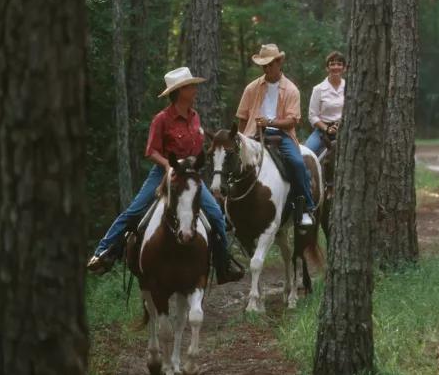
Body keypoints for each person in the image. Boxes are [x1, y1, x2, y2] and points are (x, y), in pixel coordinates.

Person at [87, 67, 245, 283]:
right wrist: (169, 167)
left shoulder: (195, 117)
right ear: (180, 91)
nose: (195, 89)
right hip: (163, 171)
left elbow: (196, 149)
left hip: (190, 174)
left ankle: (223, 263)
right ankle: (103, 252)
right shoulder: (161, 119)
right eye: (191, 86)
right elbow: (151, 151)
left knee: (216, 215)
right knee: (134, 212)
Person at [235, 44, 316, 227]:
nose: (266, 68)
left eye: (270, 64)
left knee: (296, 162)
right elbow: (242, 117)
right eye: (264, 65)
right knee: (231, 162)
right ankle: (229, 209)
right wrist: (240, 139)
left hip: (282, 134)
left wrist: (269, 123)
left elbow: (292, 121)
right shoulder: (252, 88)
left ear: (280, 62)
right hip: (253, 133)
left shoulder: (291, 90)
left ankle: (305, 207)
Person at [306, 51, 346, 155]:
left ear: (344, 68)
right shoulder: (318, 89)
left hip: (345, 130)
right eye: (332, 64)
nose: (336, 67)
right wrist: (327, 129)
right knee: (306, 154)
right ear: (327, 68)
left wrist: (340, 126)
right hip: (322, 132)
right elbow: (312, 116)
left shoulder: (349, 87)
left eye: (339, 64)